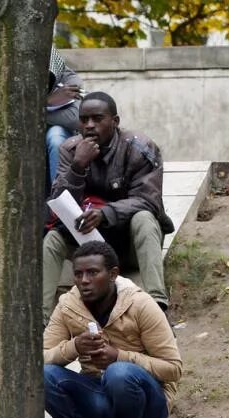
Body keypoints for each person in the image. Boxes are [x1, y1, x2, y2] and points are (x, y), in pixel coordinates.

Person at [44, 241, 182, 418]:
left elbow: (173, 369)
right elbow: (42, 356)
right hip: (100, 400)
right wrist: (74, 346)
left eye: (93, 272)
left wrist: (120, 356)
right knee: (42, 376)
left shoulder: (140, 304)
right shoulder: (68, 305)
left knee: (119, 372)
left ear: (113, 274)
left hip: (148, 407)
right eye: (78, 274)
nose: (84, 280)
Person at [43, 91, 173, 314]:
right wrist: (77, 168)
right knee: (53, 238)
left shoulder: (139, 147)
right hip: (89, 248)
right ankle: (41, 318)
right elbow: (60, 205)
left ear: (115, 122)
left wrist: (106, 214)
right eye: (84, 120)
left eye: (97, 119)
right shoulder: (70, 150)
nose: (90, 126)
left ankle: (157, 305)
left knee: (144, 218)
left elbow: (148, 201)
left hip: (129, 243)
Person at [45, 48, 84, 189]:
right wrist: (47, 101)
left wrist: (36, 111)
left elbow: (75, 118)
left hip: (60, 136)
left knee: (56, 135)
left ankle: (60, 196)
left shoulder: (70, 81)